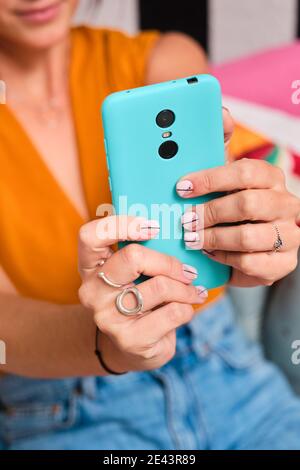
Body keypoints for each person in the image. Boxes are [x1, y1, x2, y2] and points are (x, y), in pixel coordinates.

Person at [0, 0, 300, 450]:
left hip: (223, 362)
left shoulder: (164, 59)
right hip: (59, 406)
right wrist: (109, 345)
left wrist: (260, 231)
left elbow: (214, 198)